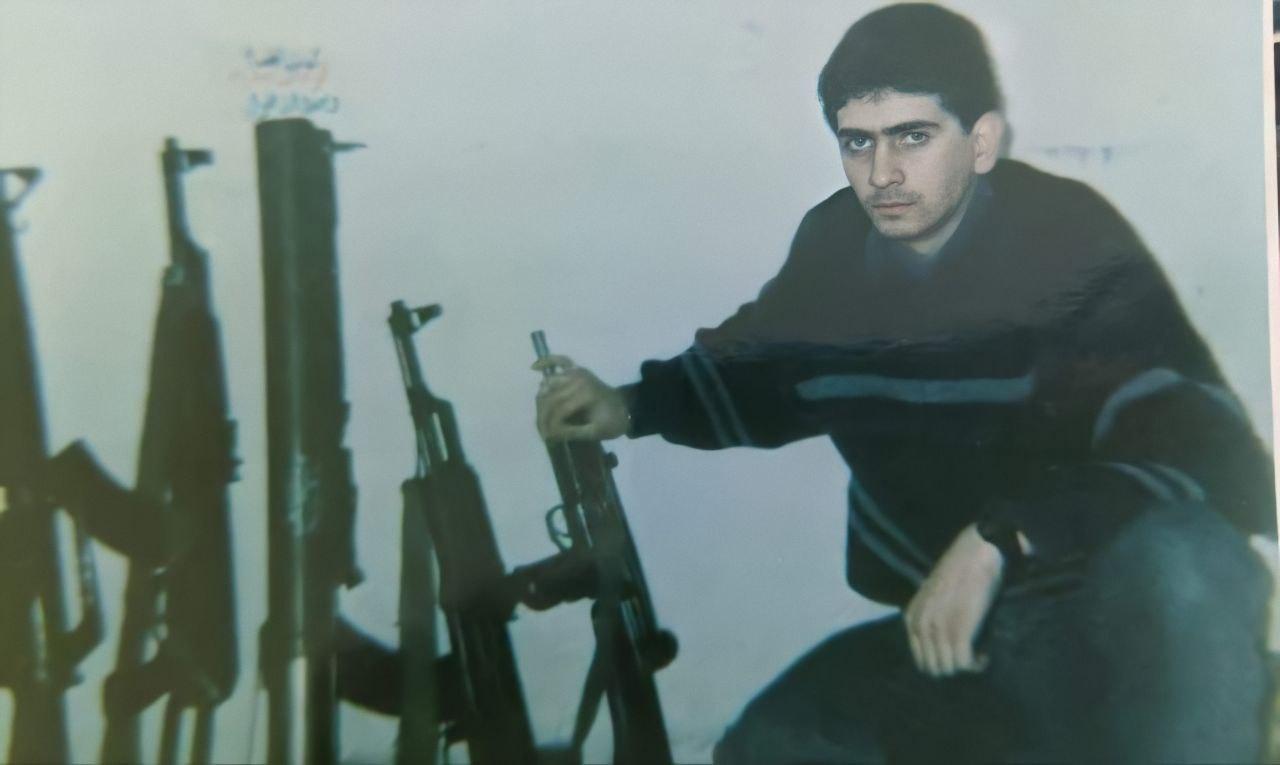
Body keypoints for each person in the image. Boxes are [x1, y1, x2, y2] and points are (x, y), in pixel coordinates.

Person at [534, 4, 1278, 762]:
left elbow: (1204, 447)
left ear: (981, 142)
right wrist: (626, 405)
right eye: (858, 142)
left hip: (1114, 623)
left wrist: (1002, 535)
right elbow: (758, 369)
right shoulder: (834, 246)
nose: (881, 174)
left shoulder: (1068, 238)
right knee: (772, 746)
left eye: (912, 137)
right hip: (960, 642)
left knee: (1191, 561)